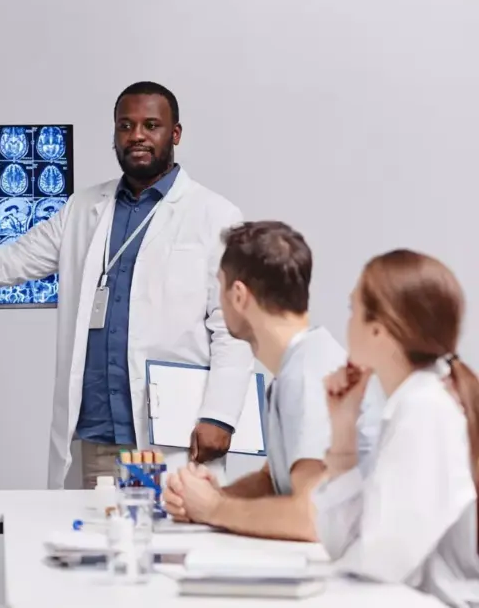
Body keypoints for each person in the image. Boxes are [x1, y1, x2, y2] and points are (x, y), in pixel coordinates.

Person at [0, 81, 255, 488]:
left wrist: (220, 415)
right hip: (97, 432)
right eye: (125, 125)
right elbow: (11, 261)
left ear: (174, 134)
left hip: (173, 435)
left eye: (150, 125)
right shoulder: (84, 208)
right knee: (96, 545)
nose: (136, 135)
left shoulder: (215, 216)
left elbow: (234, 330)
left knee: (175, 547)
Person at [162, 221, 383, 540]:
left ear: (238, 296)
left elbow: (312, 517)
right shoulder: (300, 363)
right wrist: (216, 496)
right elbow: (274, 479)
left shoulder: (309, 375)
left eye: (220, 286)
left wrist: (212, 509)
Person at [312, 249, 479, 605]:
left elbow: (378, 561)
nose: (348, 322)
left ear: (377, 329)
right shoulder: (413, 404)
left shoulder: (426, 412)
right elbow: (342, 544)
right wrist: (344, 429)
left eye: (352, 309)